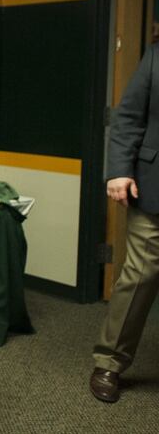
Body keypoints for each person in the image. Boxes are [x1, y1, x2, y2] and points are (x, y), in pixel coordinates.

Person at [91, 42, 159, 403]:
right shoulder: (156, 56)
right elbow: (129, 116)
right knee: (138, 276)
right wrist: (119, 170)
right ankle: (109, 363)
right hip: (155, 188)